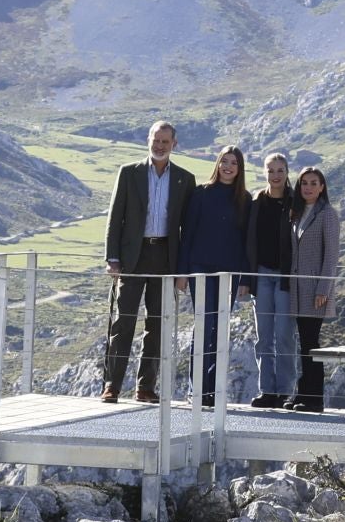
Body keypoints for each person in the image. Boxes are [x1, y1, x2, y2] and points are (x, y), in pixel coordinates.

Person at [102, 120, 196, 403]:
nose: (159, 145)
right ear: (148, 140)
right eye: (156, 140)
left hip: (165, 257)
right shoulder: (128, 173)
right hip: (133, 257)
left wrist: (183, 271)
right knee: (123, 323)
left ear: (174, 145)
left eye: (165, 142)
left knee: (157, 325)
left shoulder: (185, 179)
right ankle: (112, 386)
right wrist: (113, 259)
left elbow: (187, 231)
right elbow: (114, 217)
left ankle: (145, 388)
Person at [179, 144, 253, 406]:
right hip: (200, 270)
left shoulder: (245, 199)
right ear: (217, 164)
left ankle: (212, 391)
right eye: (224, 161)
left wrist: (245, 278)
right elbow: (186, 234)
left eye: (233, 163)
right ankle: (195, 389)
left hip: (229, 275)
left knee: (219, 331)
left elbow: (248, 243)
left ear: (239, 168)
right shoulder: (200, 194)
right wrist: (182, 273)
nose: (228, 167)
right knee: (203, 328)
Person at [245, 152, 297, 408]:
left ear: (287, 172)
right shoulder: (255, 201)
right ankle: (267, 390)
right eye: (271, 170)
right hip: (262, 275)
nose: (276, 175)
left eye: (280, 170)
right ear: (264, 172)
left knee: (285, 335)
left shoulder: (296, 202)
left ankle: (286, 391)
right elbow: (247, 242)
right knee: (263, 336)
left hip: (287, 278)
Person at [288, 165, 339, 412]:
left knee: (311, 343)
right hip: (298, 290)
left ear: (322, 187)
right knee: (304, 342)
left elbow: (330, 256)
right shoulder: (298, 213)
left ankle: (314, 399)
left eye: (313, 183)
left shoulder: (327, 214)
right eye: (304, 183)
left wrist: (323, 290)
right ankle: (302, 394)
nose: (308, 187)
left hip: (315, 291)